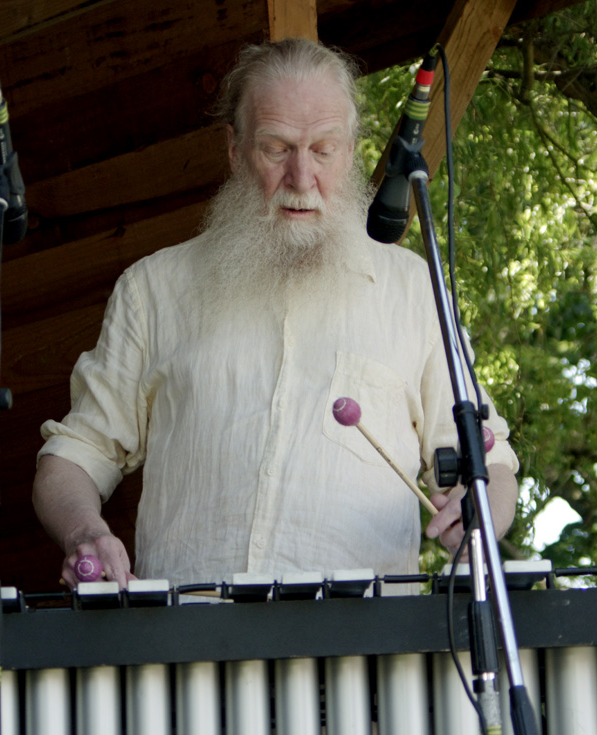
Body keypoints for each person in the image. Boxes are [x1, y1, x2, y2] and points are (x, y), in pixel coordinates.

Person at [32, 38, 519, 592]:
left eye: (324, 150)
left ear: (352, 150)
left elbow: (492, 460)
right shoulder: (153, 290)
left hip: (360, 653)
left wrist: (478, 513)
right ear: (236, 150)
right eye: (277, 148)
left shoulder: (416, 293)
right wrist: (82, 531)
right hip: (191, 648)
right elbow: (74, 456)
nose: (302, 177)